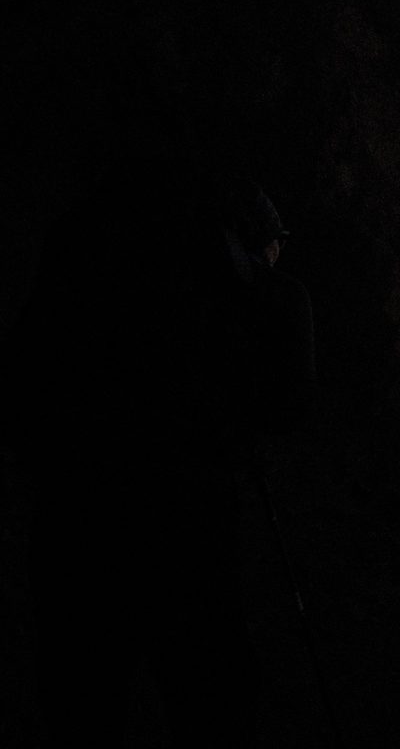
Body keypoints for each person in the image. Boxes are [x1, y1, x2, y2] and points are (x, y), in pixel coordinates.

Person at [16, 164, 315, 748]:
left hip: (73, 515)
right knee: (212, 692)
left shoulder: (94, 267)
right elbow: (290, 412)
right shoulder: (258, 293)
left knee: (84, 696)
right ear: (261, 239)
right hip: (189, 518)